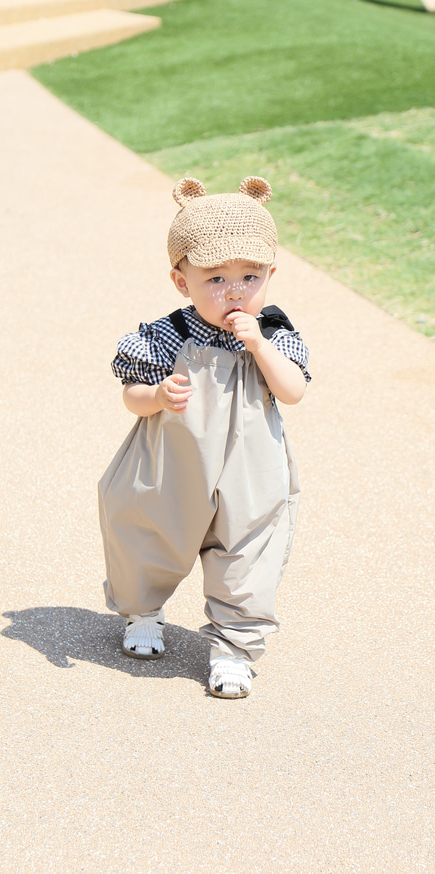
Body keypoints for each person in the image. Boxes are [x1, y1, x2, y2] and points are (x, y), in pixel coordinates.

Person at [98, 176, 311, 698]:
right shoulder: (168, 333)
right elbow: (131, 393)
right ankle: (143, 611)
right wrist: (155, 398)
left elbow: (292, 391)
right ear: (181, 280)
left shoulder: (275, 333)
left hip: (250, 466)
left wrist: (259, 346)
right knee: (147, 528)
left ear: (270, 274)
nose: (234, 290)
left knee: (249, 549)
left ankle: (234, 647)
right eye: (215, 278)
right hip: (173, 458)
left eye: (250, 276)